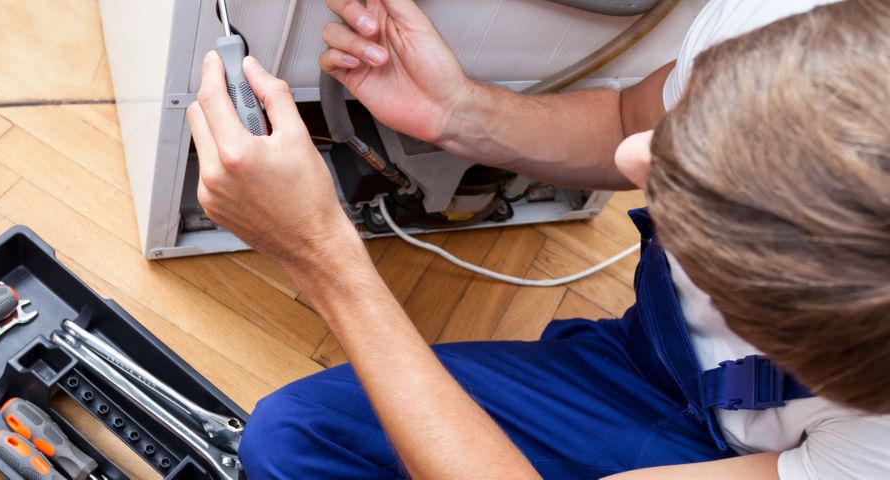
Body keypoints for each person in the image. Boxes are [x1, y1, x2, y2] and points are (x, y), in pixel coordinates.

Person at [185, 0, 890, 478]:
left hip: (738, 452)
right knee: (295, 441)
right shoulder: (802, 27)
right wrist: (457, 113)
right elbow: (625, 119)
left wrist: (324, 260)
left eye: (694, 205)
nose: (632, 163)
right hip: (641, 358)